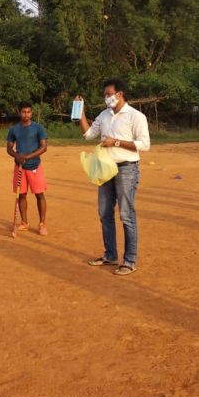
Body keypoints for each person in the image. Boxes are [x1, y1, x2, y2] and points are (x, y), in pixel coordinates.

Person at [76, 78, 150, 276]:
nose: (106, 98)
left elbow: (144, 144)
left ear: (120, 94)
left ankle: (129, 260)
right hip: (106, 168)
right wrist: (80, 112)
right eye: (105, 95)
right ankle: (110, 255)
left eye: (109, 94)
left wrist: (116, 142)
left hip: (127, 168)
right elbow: (89, 134)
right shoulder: (104, 115)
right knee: (104, 213)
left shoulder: (136, 116)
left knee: (126, 215)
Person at [6, 101, 48, 238]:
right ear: (19, 113)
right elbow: (9, 148)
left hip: (34, 166)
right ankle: (24, 222)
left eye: (29, 112)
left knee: (39, 195)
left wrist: (27, 157)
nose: (26, 114)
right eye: (24, 112)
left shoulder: (38, 128)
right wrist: (17, 156)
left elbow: (43, 147)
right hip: (19, 167)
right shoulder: (14, 129)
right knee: (21, 195)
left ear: (31, 113)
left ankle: (42, 224)